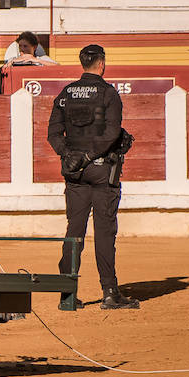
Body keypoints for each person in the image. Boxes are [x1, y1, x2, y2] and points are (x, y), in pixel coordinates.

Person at [48, 44, 138, 311]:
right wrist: (87, 156)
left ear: (82, 64)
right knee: (104, 232)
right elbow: (111, 133)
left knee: (74, 232)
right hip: (101, 171)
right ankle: (109, 293)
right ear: (102, 64)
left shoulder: (65, 94)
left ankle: (67, 294)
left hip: (75, 173)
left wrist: (71, 156)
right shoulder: (108, 94)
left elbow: (53, 134)